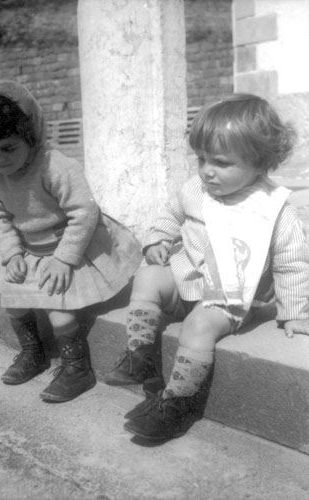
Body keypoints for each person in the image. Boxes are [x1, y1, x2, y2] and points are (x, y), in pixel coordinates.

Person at [105, 93, 309, 441]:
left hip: (226, 298)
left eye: (221, 162)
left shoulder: (273, 210)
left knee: (198, 326)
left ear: (260, 162)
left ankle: (177, 404)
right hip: (186, 280)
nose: (207, 171)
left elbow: (292, 264)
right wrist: (158, 240)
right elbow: (172, 215)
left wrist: (294, 312)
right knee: (149, 276)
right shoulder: (197, 189)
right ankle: (141, 355)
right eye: (201, 159)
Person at [0, 80, 142, 403]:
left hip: (72, 245)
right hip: (32, 250)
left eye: (8, 148)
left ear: (31, 135)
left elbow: (84, 213)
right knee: (12, 303)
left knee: (58, 311)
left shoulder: (55, 166)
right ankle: (34, 353)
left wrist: (64, 259)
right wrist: (12, 254)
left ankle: (77, 368)